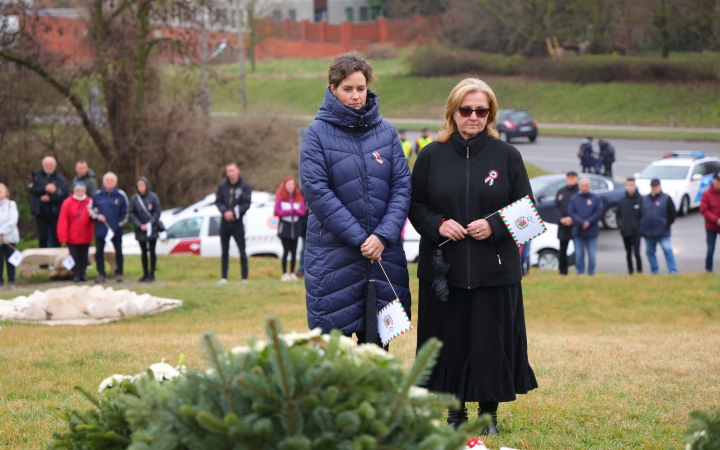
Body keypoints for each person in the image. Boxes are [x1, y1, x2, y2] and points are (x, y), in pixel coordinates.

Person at [408, 78, 537, 435]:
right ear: (452, 113)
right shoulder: (431, 155)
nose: (474, 117)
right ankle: (454, 415)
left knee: (489, 340)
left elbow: (528, 211)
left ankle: (488, 416)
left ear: (490, 114)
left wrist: (495, 225)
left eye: (482, 111)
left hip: (493, 270)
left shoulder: (507, 156)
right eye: (466, 110)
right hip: (443, 271)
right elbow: (415, 207)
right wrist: (438, 224)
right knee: (451, 341)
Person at [300, 52, 412, 347]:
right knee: (332, 357)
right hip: (333, 257)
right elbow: (317, 191)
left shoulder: (387, 132)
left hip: (382, 255)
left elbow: (402, 187)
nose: (355, 96)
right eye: (347, 89)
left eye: (360, 88)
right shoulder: (315, 134)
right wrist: (362, 239)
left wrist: (383, 237)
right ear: (333, 88)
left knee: (376, 354)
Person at [214, 163, 252, 284]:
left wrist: (235, 213)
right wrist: (225, 212)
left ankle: (244, 277)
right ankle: (224, 277)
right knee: (224, 251)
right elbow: (218, 201)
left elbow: (246, 203)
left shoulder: (245, 186)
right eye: (228, 171)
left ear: (238, 171)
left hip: (238, 222)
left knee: (242, 251)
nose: (231, 173)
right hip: (225, 223)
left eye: (233, 170)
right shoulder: (222, 186)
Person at [89, 172, 129, 283]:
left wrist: (118, 224)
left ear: (115, 182)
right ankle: (101, 273)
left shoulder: (121, 195)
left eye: (111, 180)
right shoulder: (97, 195)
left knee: (119, 252)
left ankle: (119, 272)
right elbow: (91, 209)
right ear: (103, 182)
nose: (109, 182)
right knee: (99, 252)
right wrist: (98, 216)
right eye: (107, 180)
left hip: (116, 230)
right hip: (101, 229)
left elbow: (125, 212)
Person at [57, 181, 94, 282]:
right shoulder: (67, 203)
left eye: (82, 190)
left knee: (84, 256)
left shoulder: (90, 201)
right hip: (72, 235)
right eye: (78, 190)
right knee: (74, 256)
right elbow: (63, 221)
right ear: (74, 191)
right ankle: (76, 274)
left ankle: (82, 273)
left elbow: (93, 217)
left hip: (86, 234)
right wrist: (63, 236)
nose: (80, 192)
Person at [28, 156, 68, 250]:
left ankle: (55, 261)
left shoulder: (60, 179)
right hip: (41, 212)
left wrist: (50, 198)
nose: (49, 166)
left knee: (56, 237)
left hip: (55, 212)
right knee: (42, 237)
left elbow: (64, 194)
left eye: (51, 164)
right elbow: (31, 189)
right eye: (47, 164)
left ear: (55, 165)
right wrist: (45, 188)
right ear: (43, 165)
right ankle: (44, 263)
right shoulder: (36, 177)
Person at [639, 179, 677, 275]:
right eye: (653, 186)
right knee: (650, 252)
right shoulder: (644, 199)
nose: (654, 188)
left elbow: (672, 214)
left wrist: (666, 224)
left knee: (667, 250)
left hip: (662, 231)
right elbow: (640, 214)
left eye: (656, 186)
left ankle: (673, 270)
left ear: (660, 186)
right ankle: (654, 270)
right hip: (649, 232)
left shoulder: (666, 198)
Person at [128, 177, 162, 282]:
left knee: (152, 251)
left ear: (146, 185)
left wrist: (149, 224)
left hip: (152, 229)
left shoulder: (153, 197)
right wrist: (139, 225)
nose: (141, 187)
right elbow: (131, 213)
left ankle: (152, 274)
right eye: (139, 185)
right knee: (143, 252)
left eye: (142, 185)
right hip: (140, 229)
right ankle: (145, 273)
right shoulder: (134, 199)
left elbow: (157, 212)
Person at [274, 177, 306, 281]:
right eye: (288, 184)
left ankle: (292, 272)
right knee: (286, 251)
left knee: (294, 251)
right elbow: (277, 211)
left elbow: (302, 211)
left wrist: (294, 211)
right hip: (285, 226)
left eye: (292, 184)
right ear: (285, 185)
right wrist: (289, 211)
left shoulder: (298, 197)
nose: (290, 186)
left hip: (295, 226)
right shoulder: (281, 197)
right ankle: (284, 273)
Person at [568, 178, 603, 276]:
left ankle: (591, 273)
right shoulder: (574, 198)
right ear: (579, 186)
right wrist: (581, 222)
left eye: (586, 185)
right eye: (582, 185)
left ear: (590, 186)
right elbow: (571, 212)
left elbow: (598, 212)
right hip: (578, 231)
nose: (584, 187)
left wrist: (588, 222)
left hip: (592, 231)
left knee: (592, 254)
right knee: (579, 254)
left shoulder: (596, 198)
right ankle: (580, 272)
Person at [554, 171, 579, 275]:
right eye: (569, 178)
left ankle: (579, 270)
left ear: (577, 179)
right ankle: (563, 271)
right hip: (563, 225)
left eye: (573, 178)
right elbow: (556, 207)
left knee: (578, 250)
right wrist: (561, 219)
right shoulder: (561, 191)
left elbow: (581, 208)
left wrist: (572, 218)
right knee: (562, 250)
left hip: (575, 225)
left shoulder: (579, 192)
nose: (570, 180)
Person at [616, 178, 643, 275]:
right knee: (628, 253)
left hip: (636, 231)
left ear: (635, 186)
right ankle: (630, 272)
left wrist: (639, 227)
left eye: (632, 185)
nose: (630, 187)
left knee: (637, 253)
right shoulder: (622, 200)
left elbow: (643, 215)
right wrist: (621, 225)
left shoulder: (640, 199)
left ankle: (640, 271)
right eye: (628, 185)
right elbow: (618, 215)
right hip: (625, 231)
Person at [699, 171, 720, 272]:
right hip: (711, 226)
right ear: (714, 181)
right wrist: (716, 220)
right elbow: (704, 210)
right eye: (718, 181)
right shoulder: (706, 194)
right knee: (710, 249)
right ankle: (708, 269)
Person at [0, 183, 19, 291]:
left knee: (10, 259)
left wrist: (1, 232)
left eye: (1, 191)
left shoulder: (11, 204)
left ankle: (11, 280)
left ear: (6, 193)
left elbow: (12, 221)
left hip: (9, 238)